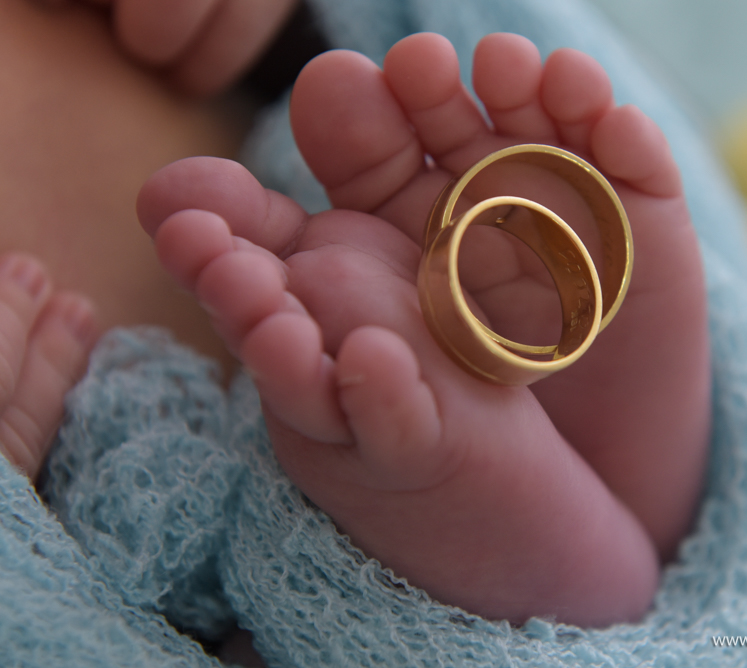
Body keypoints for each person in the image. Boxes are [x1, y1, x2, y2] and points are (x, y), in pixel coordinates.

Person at [2, 0, 709, 629]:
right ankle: (571, 561)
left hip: (246, 119)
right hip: (100, 535)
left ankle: (587, 524)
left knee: (353, 76)